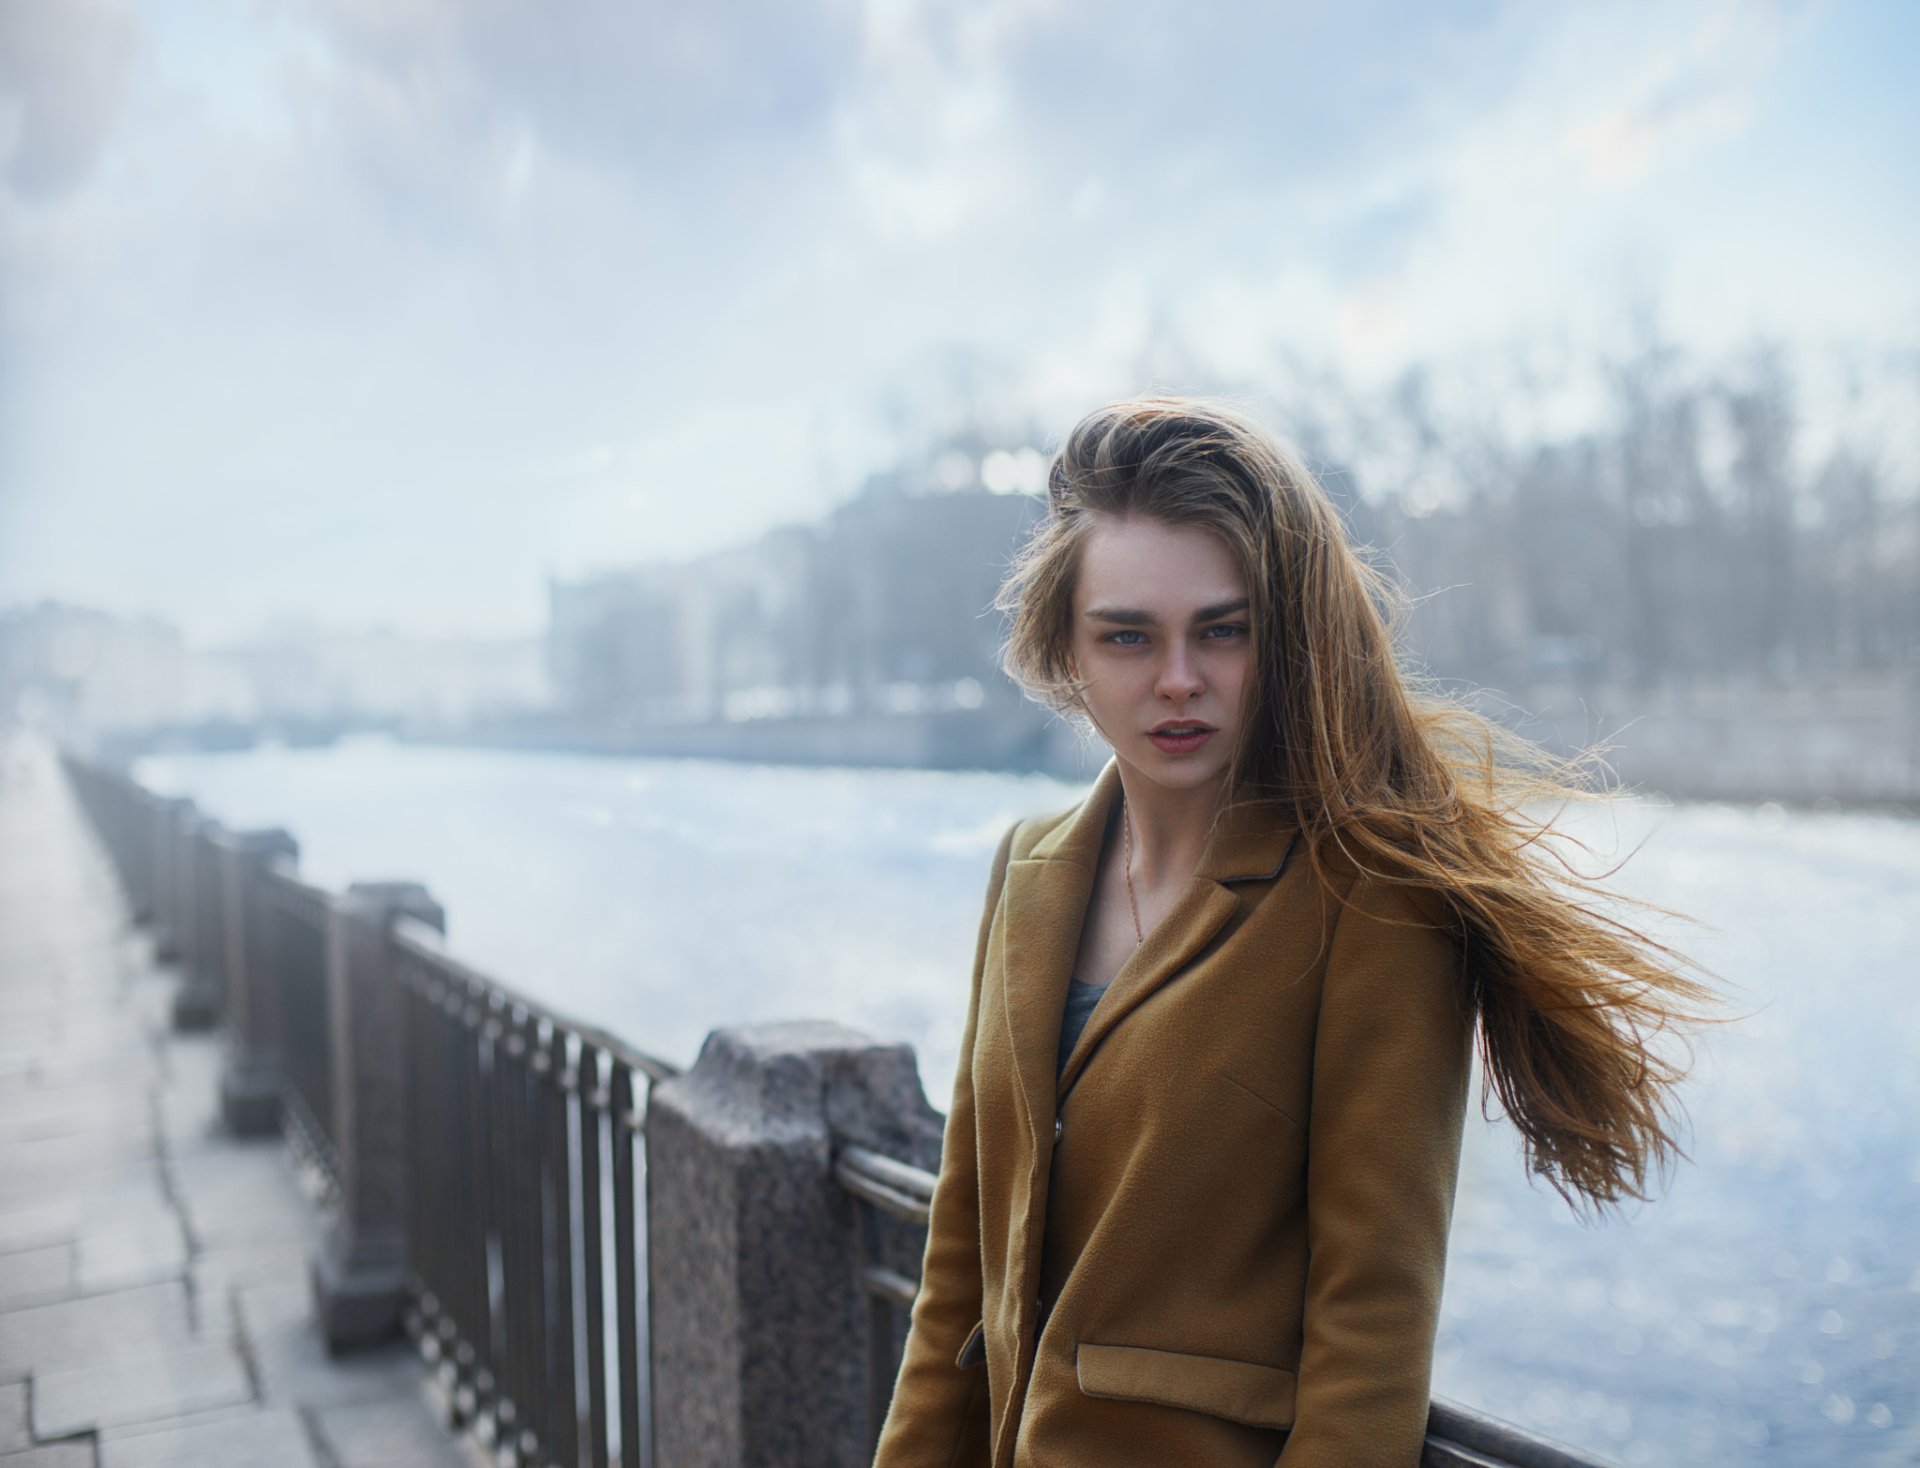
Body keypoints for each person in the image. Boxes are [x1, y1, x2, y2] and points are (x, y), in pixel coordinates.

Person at [870, 396, 1713, 1468]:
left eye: (1223, 630)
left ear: (1284, 641)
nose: (1179, 679)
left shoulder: (1372, 900)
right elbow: (960, 1266)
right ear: (1068, 651)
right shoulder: (1027, 870)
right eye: (1128, 635)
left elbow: (1371, 1331)